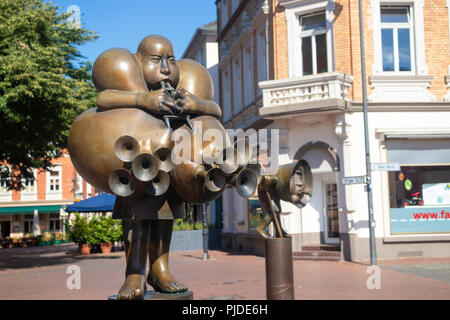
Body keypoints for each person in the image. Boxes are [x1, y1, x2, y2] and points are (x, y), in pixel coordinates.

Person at [92, 35, 221, 299]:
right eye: (155, 60)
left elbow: (215, 109)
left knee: (165, 217)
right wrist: (143, 100)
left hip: (170, 165)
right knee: (137, 216)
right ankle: (135, 273)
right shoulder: (133, 89)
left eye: (170, 60)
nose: (164, 68)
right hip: (137, 167)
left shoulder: (180, 90)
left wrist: (197, 105)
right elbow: (103, 99)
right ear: (138, 61)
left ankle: (160, 269)